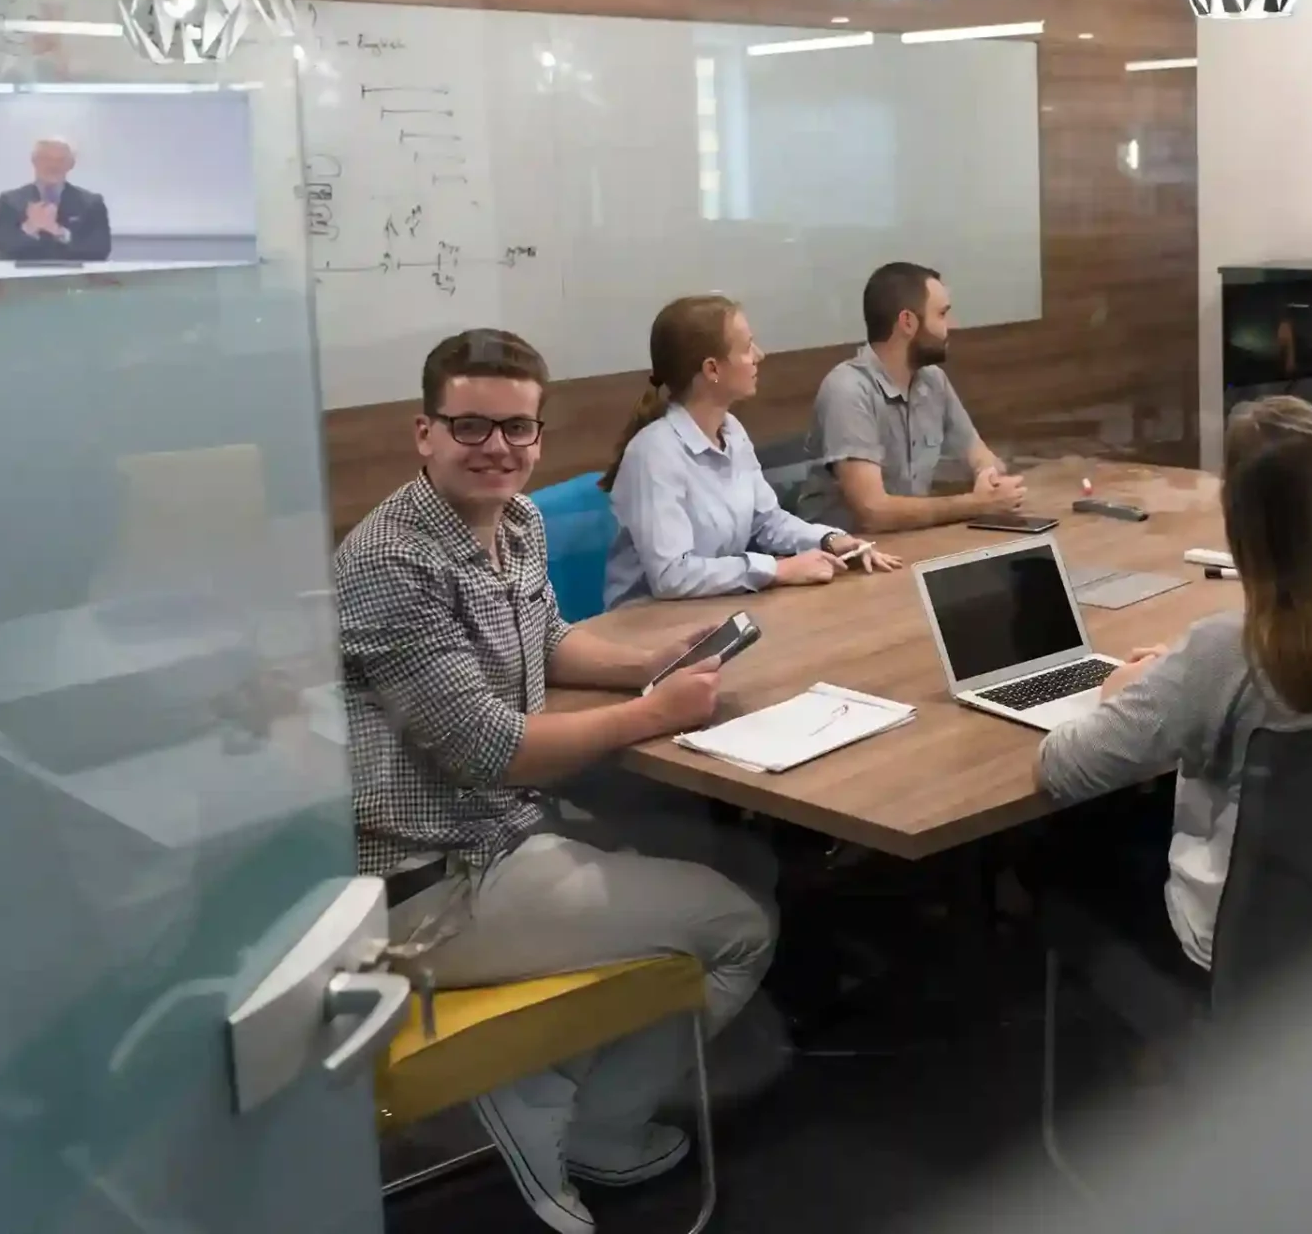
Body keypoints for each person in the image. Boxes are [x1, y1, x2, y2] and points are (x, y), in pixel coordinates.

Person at [335, 328, 774, 1233]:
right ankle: (584, 1123)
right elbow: (490, 748)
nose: (498, 447)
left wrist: (651, 661)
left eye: (518, 429)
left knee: (743, 865)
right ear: (424, 433)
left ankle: (549, 1075)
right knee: (740, 927)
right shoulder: (390, 562)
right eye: (471, 426)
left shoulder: (517, 521)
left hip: (510, 831)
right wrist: (656, 713)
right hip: (430, 885)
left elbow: (548, 638)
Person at [1034, 395, 1312, 976]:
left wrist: (1120, 688)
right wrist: (1176, 673)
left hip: (1236, 951)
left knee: (1057, 851)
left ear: (1239, 520)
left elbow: (1061, 767)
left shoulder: (1225, 651)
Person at [604, 295, 898, 605]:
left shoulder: (731, 430)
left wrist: (829, 539)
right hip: (647, 624)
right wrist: (776, 570)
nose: (760, 355)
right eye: (747, 348)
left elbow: (766, 521)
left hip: (715, 606)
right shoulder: (653, 453)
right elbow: (671, 576)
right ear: (712, 368)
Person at [795, 261, 1027, 532]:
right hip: (843, 560)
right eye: (942, 314)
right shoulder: (848, 390)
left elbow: (981, 455)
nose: (952, 325)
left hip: (905, 544)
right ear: (907, 322)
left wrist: (988, 477)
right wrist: (977, 504)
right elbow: (873, 512)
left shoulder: (933, 380)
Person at [0, 136, 113, 261]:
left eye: (61, 160)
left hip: (75, 278)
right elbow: (4, 246)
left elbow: (101, 249)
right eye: (46, 159)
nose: (53, 166)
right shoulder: (10, 201)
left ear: (71, 165)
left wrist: (59, 232)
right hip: (22, 278)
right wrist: (30, 227)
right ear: (34, 161)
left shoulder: (91, 203)